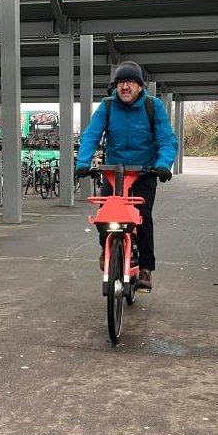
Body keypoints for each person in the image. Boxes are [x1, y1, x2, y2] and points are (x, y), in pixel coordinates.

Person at [75, 61, 178, 291]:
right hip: (115, 173)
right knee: (105, 216)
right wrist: (83, 163)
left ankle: (145, 269)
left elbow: (167, 139)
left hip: (144, 173)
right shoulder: (107, 107)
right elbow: (91, 135)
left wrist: (163, 164)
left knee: (142, 219)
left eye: (130, 82)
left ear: (140, 86)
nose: (125, 86)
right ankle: (107, 249)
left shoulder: (154, 106)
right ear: (115, 87)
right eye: (121, 82)